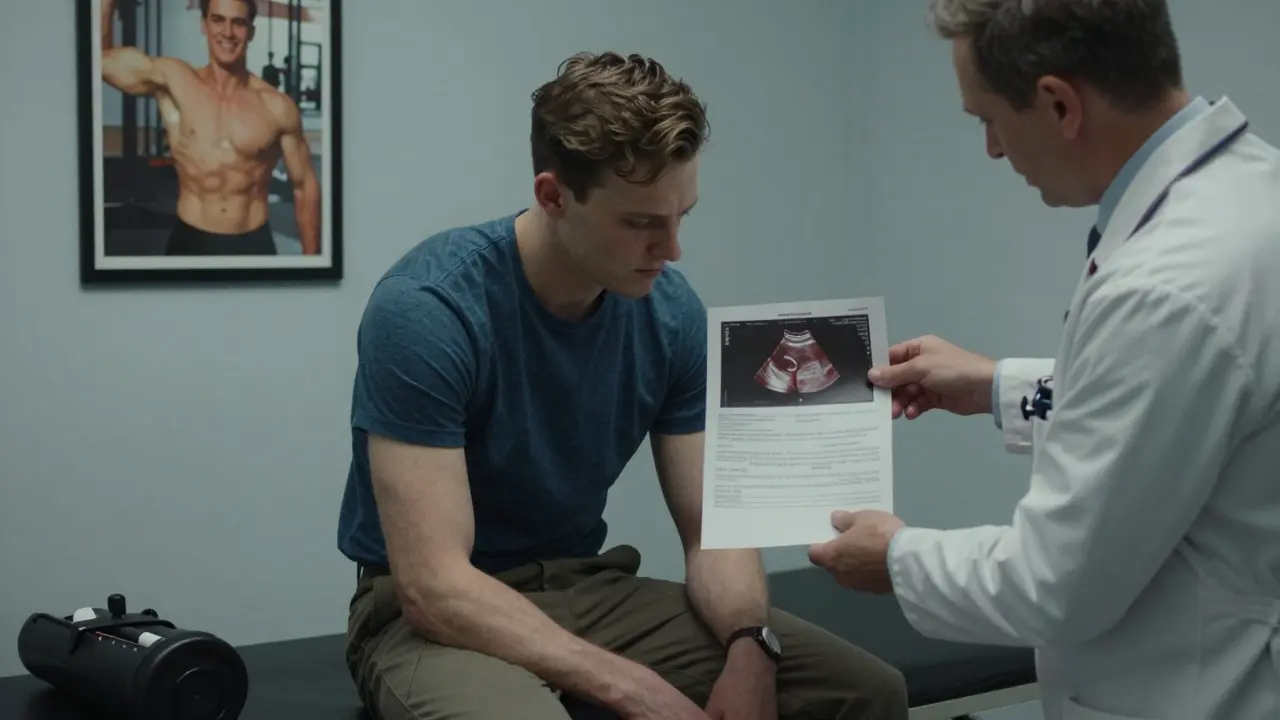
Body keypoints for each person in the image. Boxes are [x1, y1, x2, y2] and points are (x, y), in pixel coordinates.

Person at [336, 50, 909, 720]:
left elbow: (709, 533)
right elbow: (435, 586)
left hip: (588, 588)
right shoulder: (430, 311)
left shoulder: (670, 312)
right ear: (553, 196)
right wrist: (630, 688)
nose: (671, 250)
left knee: (867, 694)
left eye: (681, 217)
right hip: (434, 615)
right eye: (641, 223)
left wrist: (751, 648)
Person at [807, 1, 1280, 718]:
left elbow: (1054, 585)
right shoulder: (1249, 195)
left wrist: (896, 560)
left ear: (1059, 103)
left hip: (1198, 687)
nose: (994, 149)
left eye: (988, 119)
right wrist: (998, 386)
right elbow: (1190, 405)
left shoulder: (1166, 287)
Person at [99, 0, 320, 256]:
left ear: (251, 31)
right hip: (191, 240)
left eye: (238, 23)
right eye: (218, 20)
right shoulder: (174, 80)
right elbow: (101, 60)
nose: (227, 32)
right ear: (204, 24)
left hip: (252, 244)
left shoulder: (277, 107)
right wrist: (106, 5)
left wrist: (312, 262)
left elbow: (305, 186)